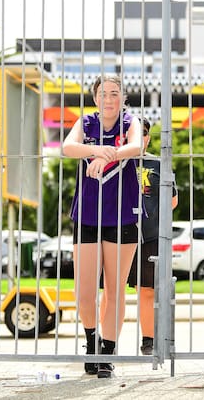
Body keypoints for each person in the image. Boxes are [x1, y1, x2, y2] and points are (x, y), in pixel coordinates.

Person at [62, 75, 143, 379]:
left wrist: (108, 155)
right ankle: (92, 339)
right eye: (103, 93)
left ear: (123, 97)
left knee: (115, 289)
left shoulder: (130, 122)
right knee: (84, 291)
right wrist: (96, 151)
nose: (109, 99)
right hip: (87, 215)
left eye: (114, 93)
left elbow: (135, 147)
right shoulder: (86, 123)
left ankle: (108, 351)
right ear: (95, 97)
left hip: (122, 214)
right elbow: (69, 148)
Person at [127, 118, 178, 356]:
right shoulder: (117, 161)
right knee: (111, 291)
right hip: (118, 233)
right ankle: (105, 345)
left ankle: (148, 341)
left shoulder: (158, 164)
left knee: (146, 289)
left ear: (148, 137)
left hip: (150, 236)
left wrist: (154, 217)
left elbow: (173, 199)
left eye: (144, 132)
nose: (141, 136)